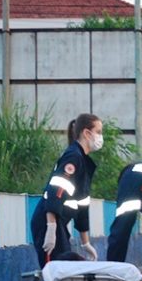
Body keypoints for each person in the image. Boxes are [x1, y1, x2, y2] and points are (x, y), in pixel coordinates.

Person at [30, 114, 102, 269]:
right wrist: (51, 227)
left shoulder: (83, 161)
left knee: (66, 272)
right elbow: (56, 189)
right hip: (48, 222)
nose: (100, 137)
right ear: (87, 133)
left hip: (59, 225)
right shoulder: (73, 157)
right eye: (99, 131)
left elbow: (82, 205)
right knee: (57, 273)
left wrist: (85, 242)